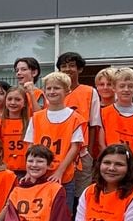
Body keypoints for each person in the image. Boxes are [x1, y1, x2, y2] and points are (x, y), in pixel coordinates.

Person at [23, 71, 86, 209]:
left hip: (63, 176)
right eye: (49, 88)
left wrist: (60, 171)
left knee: (63, 215)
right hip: (39, 175)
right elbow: (30, 146)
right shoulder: (37, 117)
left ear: (67, 91)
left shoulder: (75, 118)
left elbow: (74, 148)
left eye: (56, 88)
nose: (52, 91)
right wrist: (29, 171)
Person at [57, 52, 104, 197]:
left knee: (81, 193)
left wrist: (88, 152)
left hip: (82, 152)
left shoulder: (89, 92)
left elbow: (93, 124)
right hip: (60, 151)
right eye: (64, 66)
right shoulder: (56, 92)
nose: (67, 69)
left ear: (80, 69)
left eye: (72, 66)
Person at [99, 67, 133, 149]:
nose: (126, 89)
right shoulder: (104, 113)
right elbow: (101, 144)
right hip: (111, 159)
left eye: (130, 86)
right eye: (122, 86)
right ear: (114, 88)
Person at [0, 85, 30, 177]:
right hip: (5, 169)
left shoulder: (30, 123)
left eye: (18, 100)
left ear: (25, 103)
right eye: (9, 99)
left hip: (26, 171)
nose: (13, 102)